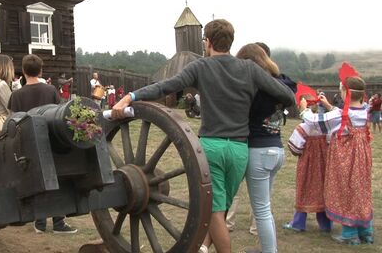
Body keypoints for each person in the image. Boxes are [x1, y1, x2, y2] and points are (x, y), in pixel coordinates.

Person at [110, 19, 295, 253]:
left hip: (212, 148)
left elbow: (166, 86)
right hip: (239, 150)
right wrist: (261, 112)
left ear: (207, 42)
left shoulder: (201, 67)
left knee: (216, 213)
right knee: (222, 208)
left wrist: (131, 97)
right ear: (231, 41)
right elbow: (286, 94)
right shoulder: (249, 69)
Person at [300, 66, 373, 245]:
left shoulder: (339, 115)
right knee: (360, 190)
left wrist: (304, 110)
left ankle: (349, 234)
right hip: (362, 159)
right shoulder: (365, 110)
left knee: (345, 189)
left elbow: (315, 121)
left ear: (344, 93)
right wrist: (329, 106)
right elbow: (345, 114)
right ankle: (366, 231)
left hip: (344, 160)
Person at [237, 43, 297, 253]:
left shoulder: (256, 88)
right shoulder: (282, 85)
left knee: (261, 209)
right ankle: (267, 249)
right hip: (276, 148)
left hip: (258, 151)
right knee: (265, 207)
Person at [8, 54, 77, 234]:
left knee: (37, 180)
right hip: (52, 140)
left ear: (23, 72)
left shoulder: (16, 95)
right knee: (57, 180)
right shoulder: (51, 90)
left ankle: (40, 223)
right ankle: (59, 223)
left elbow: (13, 122)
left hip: (29, 145)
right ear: (41, 70)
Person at [284, 95, 331, 233]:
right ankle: (325, 223)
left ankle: (299, 222)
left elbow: (294, 147)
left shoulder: (303, 128)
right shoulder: (325, 127)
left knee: (304, 188)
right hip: (323, 165)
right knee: (322, 190)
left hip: (307, 165)